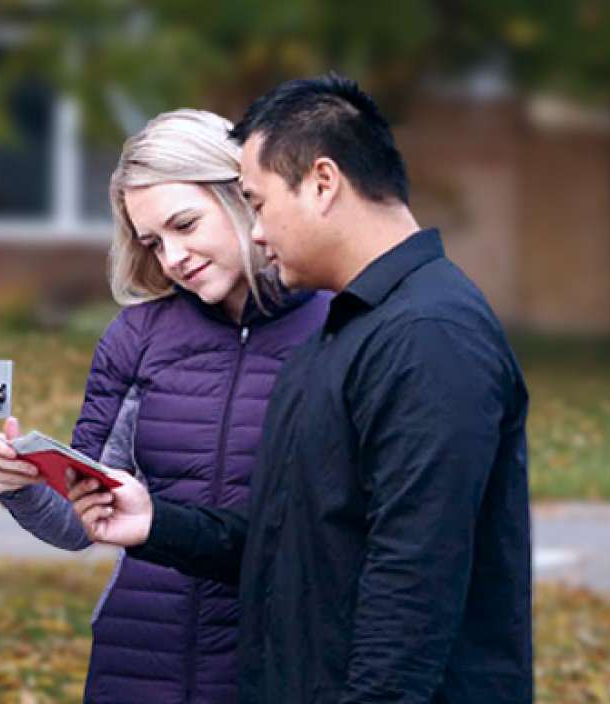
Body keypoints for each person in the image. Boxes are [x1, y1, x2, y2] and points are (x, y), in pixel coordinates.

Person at [70, 75, 534, 703]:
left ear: (322, 184)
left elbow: (412, 582)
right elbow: (286, 547)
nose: (255, 231)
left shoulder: (430, 335)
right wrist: (158, 524)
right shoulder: (345, 334)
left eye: (257, 204)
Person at [0, 109, 330, 702]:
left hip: (278, 666)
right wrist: (18, 484)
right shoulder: (136, 339)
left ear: (242, 195)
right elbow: (77, 519)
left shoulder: (339, 330)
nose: (173, 258)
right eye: (153, 242)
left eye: (185, 224)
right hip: (138, 665)